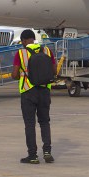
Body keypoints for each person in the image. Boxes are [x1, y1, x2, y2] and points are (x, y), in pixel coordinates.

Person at [12, 29, 56, 164]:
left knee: (30, 124)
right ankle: (47, 152)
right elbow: (54, 71)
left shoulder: (20, 53)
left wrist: (23, 73)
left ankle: (33, 155)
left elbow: (14, 75)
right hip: (44, 91)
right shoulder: (47, 51)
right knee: (44, 122)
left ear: (25, 41)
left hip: (28, 91)